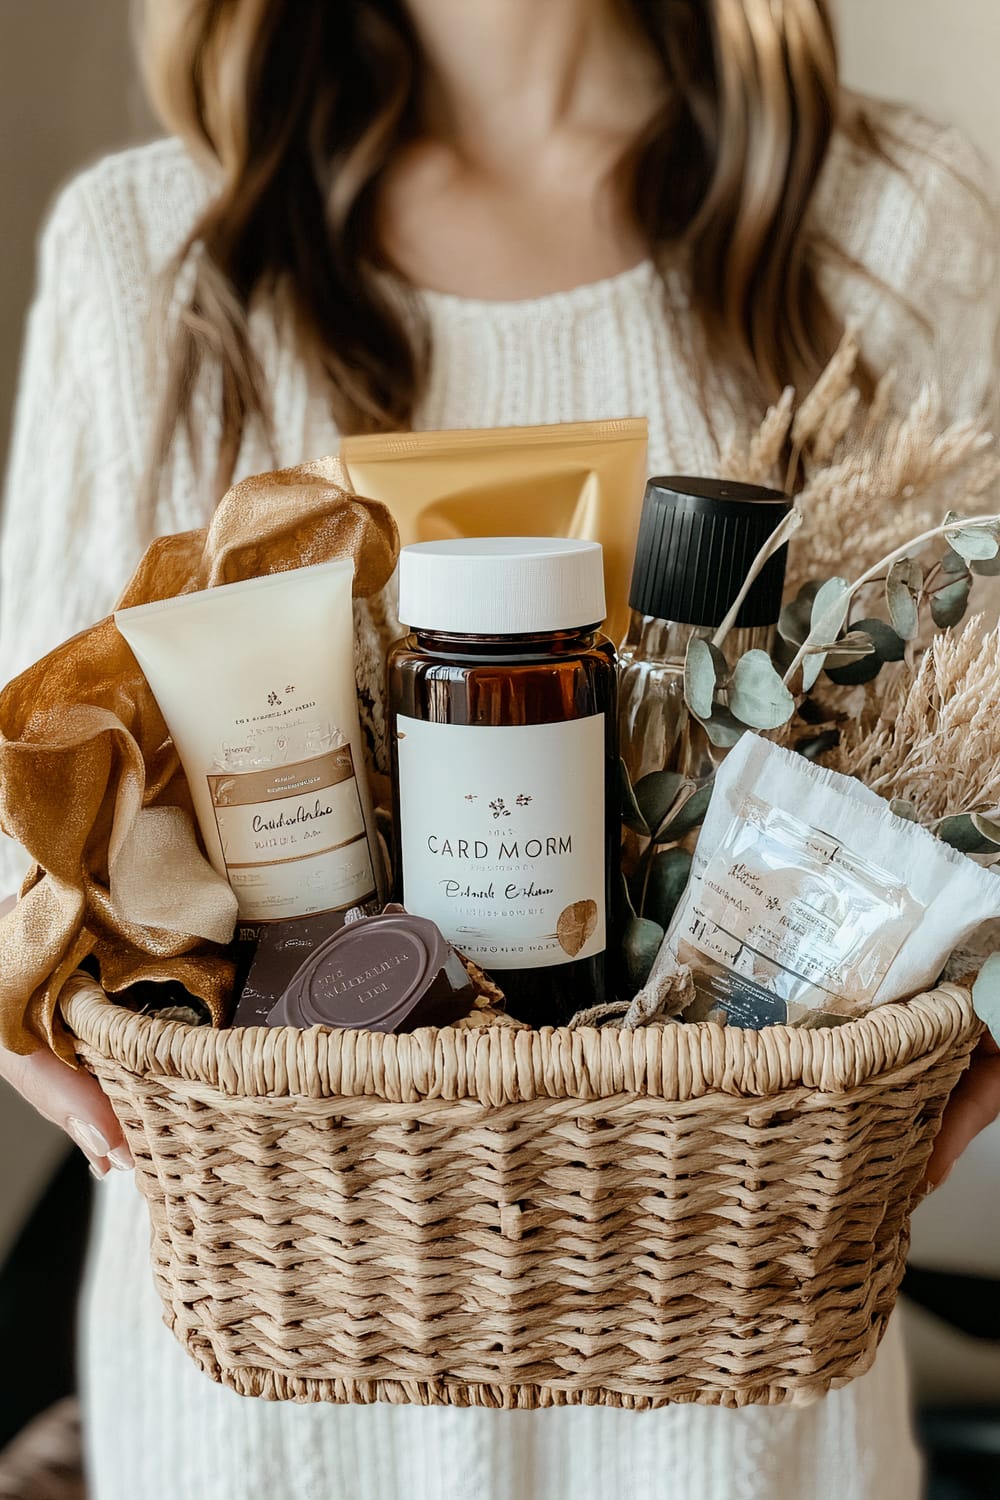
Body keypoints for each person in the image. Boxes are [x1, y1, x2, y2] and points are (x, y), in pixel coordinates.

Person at [1, 2, 999, 1496]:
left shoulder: (892, 216)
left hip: (717, 1380)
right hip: (280, 1371)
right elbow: (23, 796)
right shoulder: (147, 249)